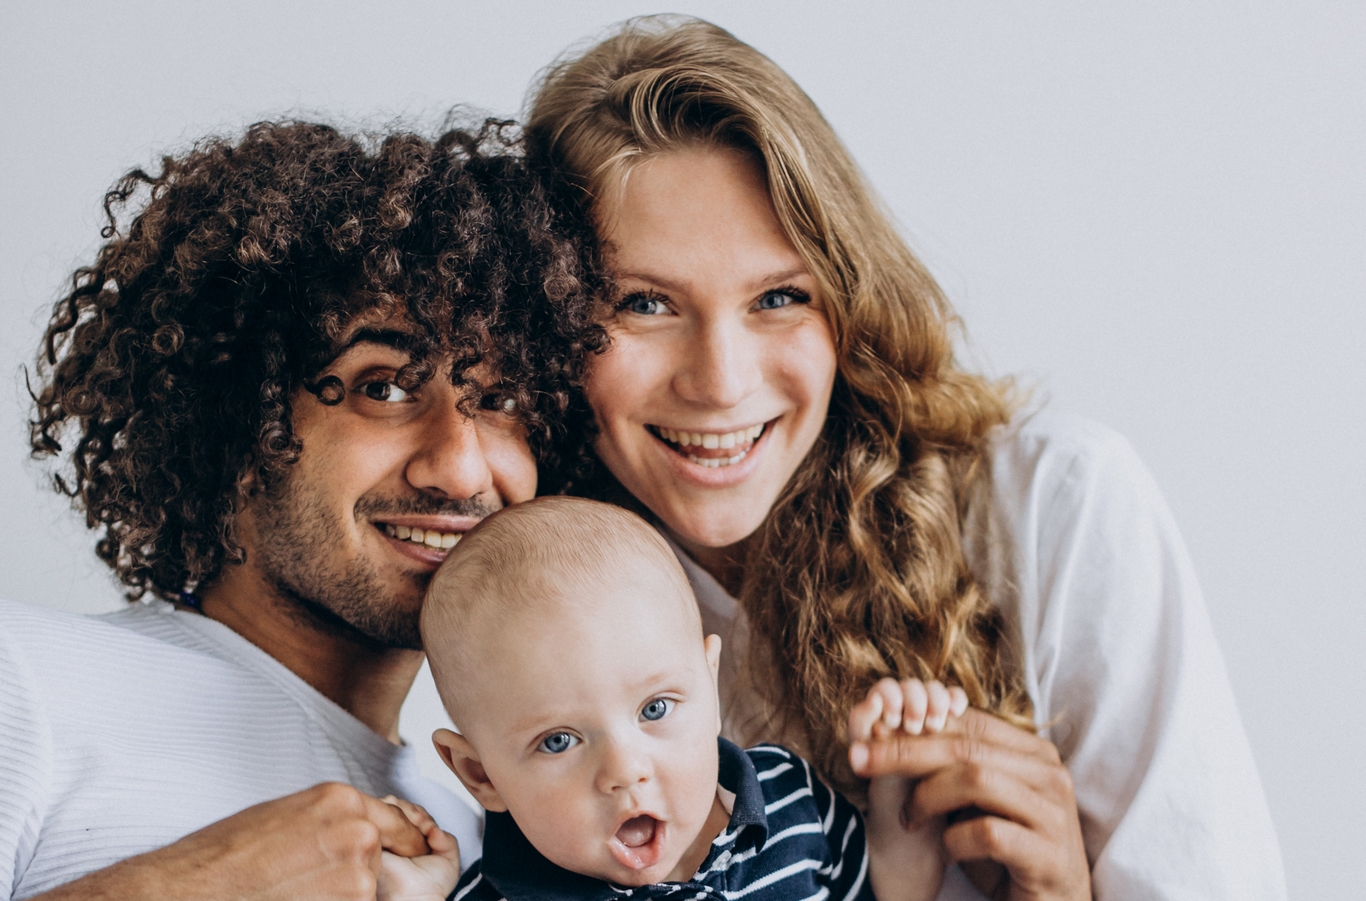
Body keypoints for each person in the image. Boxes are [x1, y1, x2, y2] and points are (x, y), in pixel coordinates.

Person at [524, 15, 1287, 901]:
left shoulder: (1053, 512)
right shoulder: (517, 594)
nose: (722, 382)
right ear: (543, 323)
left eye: (779, 296)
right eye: (645, 304)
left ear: (850, 302)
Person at [0, 119, 602, 900]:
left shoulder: (501, 829)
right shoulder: (24, 678)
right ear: (239, 418)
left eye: (502, 399)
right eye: (383, 387)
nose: (459, 467)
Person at [385, 495, 970, 901]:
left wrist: (900, 778)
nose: (625, 771)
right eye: (559, 741)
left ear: (708, 684)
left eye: (655, 709)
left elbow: (893, 889)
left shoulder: (790, 799)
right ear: (481, 774)